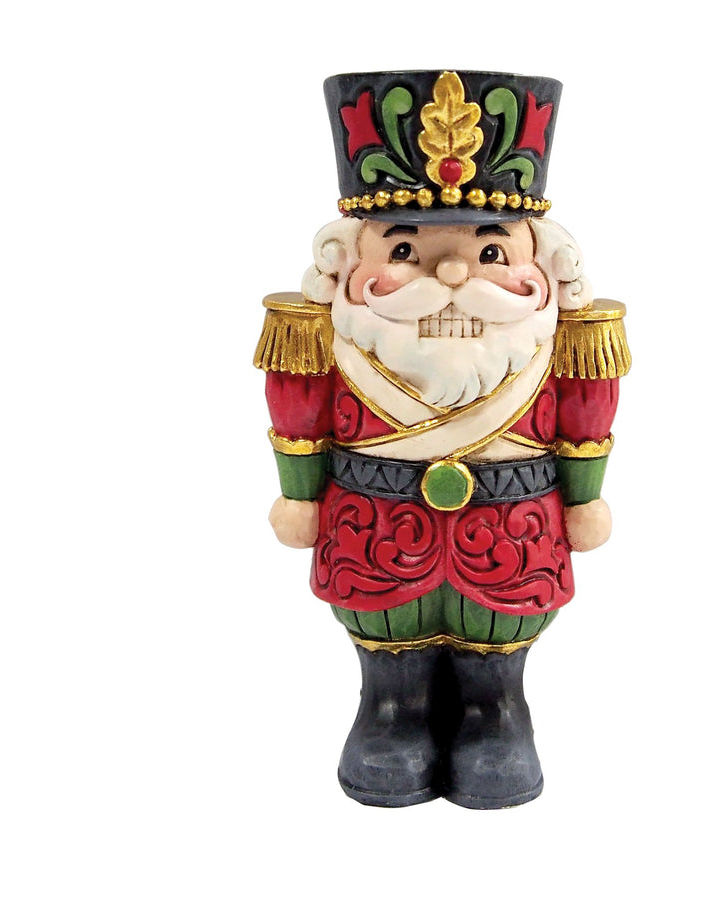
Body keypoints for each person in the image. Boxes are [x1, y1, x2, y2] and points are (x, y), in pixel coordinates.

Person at [254, 70, 630, 808]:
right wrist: (297, 496)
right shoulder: (328, 336)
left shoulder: (557, 340)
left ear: (543, 264)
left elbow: (587, 418)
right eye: (404, 251)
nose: (452, 270)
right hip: (373, 520)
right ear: (347, 263)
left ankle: (498, 716)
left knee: (500, 641)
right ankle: (391, 712)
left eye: (491, 254)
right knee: (386, 639)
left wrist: (586, 500)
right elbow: (300, 413)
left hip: (514, 523)